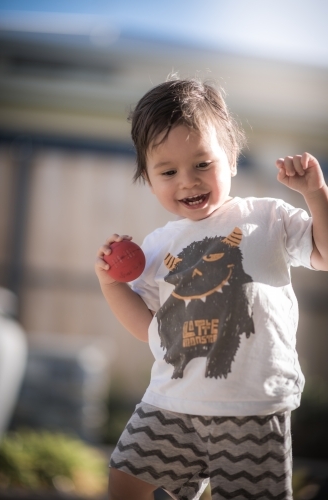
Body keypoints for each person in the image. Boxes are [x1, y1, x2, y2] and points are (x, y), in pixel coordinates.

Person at [95, 78, 328, 500]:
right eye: (168, 171)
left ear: (232, 159)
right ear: (148, 178)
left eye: (202, 164)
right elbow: (150, 329)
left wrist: (316, 194)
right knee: (126, 483)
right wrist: (111, 284)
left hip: (252, 407)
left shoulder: (268, 218)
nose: (188, 181)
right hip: (171, 400)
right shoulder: (158, 246)